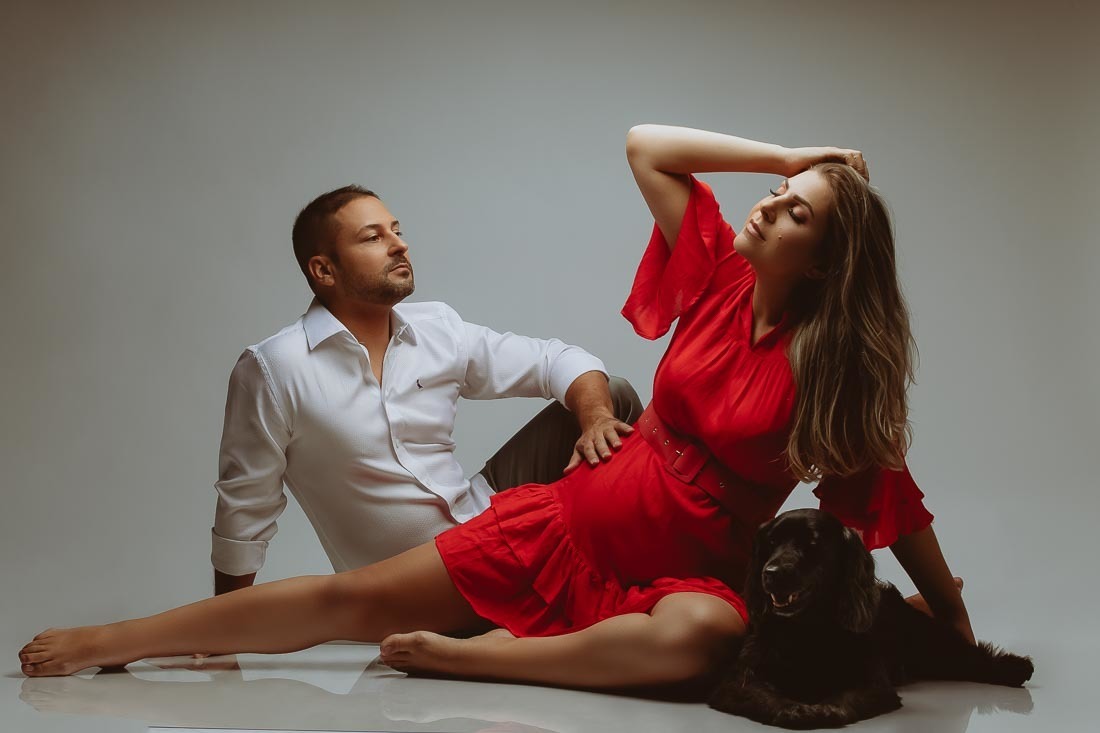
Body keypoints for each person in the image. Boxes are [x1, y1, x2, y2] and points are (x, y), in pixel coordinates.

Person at [19, 125, 973, 689]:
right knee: (349, 601)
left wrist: (956, 619)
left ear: (828, 263)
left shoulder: (832, 371)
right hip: (566, 522)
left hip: (682, 572)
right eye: (775, 192)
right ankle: (119, 639)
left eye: (797, 210)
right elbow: (648, 145)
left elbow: (891, 500)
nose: (768, 204)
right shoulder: (720, 275)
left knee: (709, 636)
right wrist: (794, 153)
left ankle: (476, 659)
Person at [210, 185, 642, 596]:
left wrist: (596, 419)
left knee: (611, 397)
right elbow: (245, 508)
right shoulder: (275, 367)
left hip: (484, 523)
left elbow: (557, 360)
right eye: (373, 237)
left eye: (396, 231)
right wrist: (224, 625)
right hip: (412, 581)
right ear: (324, 270)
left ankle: (641, 568)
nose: (399, 245)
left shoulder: (437, 328)